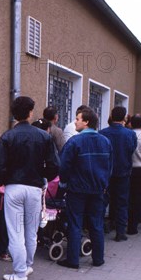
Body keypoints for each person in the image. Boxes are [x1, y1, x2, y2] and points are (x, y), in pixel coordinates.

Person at [0, 96, 60, 280]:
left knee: (15, 231)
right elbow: (55, 165)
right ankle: (27, 266)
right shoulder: (44, 136)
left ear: (14, 114)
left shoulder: (7, 136)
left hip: (14, 187)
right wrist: (42, 175)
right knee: (31, 230)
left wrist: (3, 180)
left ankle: (20, 272)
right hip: (34, 188)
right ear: (30, 113)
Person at [57, 108, 112, 269]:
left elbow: (64, 166)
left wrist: (64, 183)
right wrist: (104, 184)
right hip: (97, 189)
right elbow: (110, 167)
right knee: (96, 223)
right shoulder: (105, 142)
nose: (75, 121)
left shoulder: (74, 142)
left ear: (86, 122)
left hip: (77, 189)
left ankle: (73, 260)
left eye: (78, 118)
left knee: (75, 223)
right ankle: (98, 258)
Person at [100, 106, 137, 241]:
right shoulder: (130, 134)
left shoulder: (103, 133)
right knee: (122, 202)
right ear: (124, 118)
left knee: (103, 201)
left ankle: (100, 227)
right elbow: (132, 149)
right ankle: (120, 232)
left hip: (106, 172)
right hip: (123, 171)